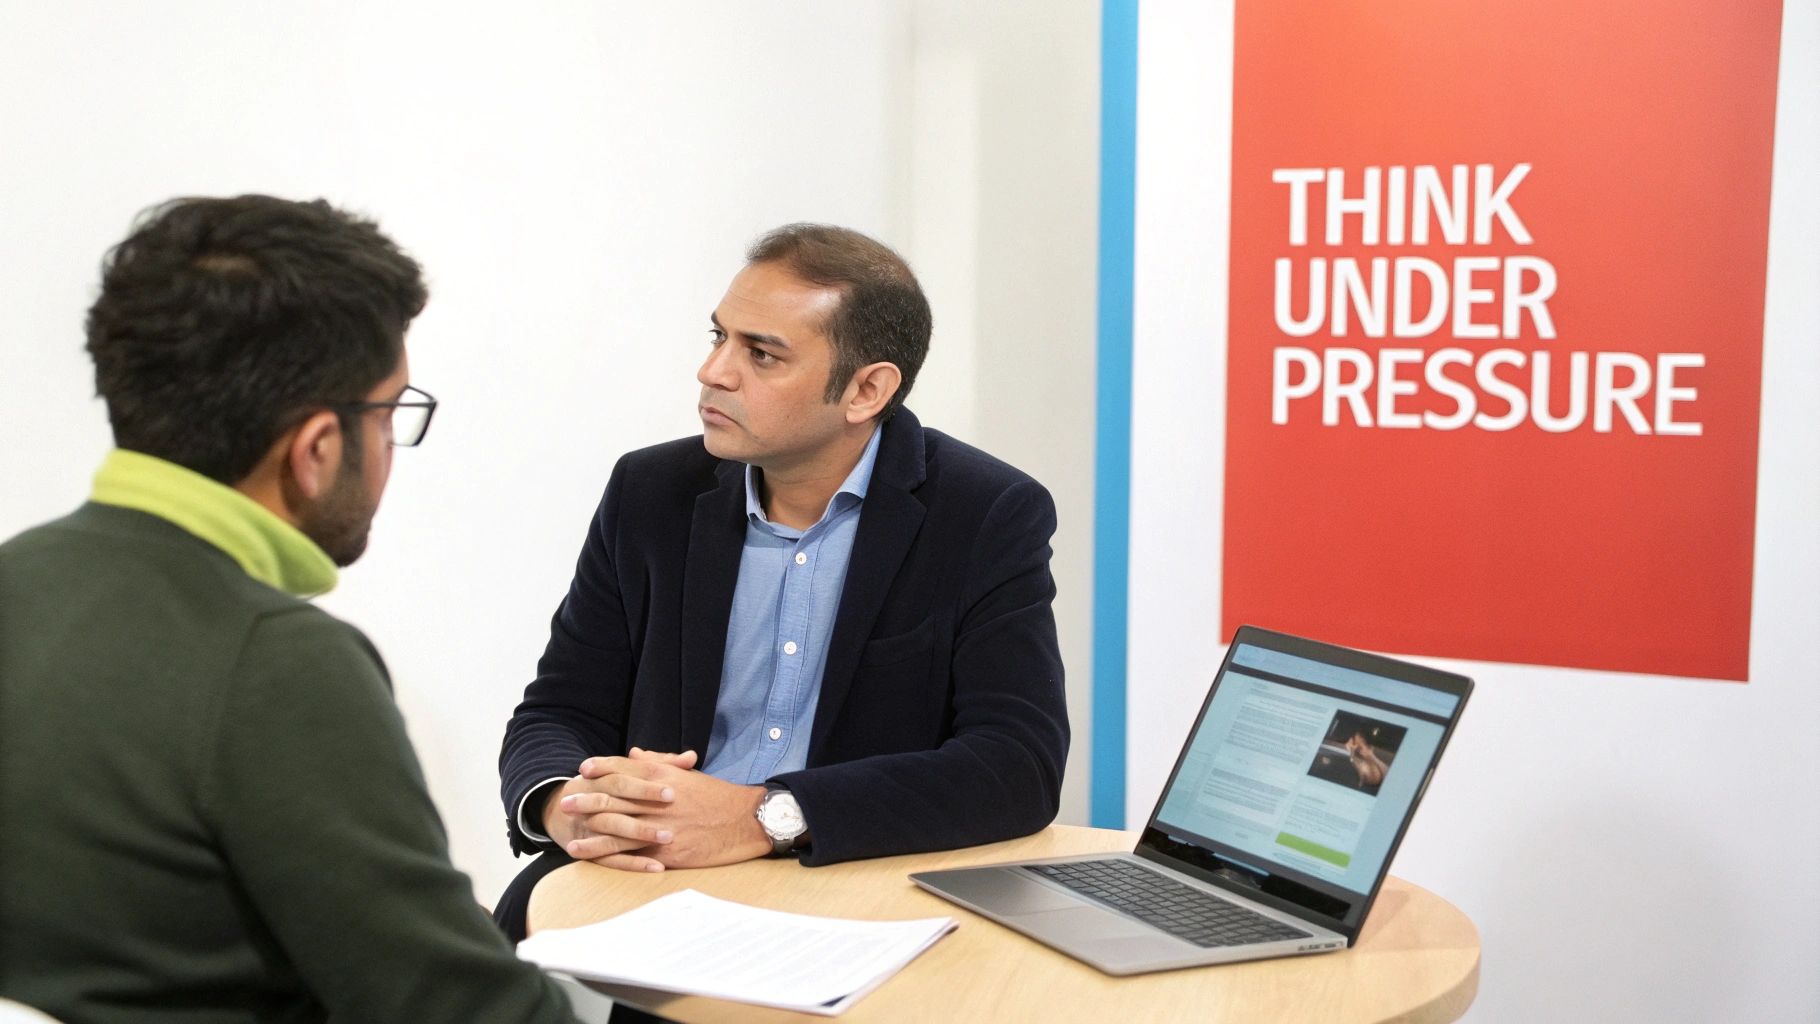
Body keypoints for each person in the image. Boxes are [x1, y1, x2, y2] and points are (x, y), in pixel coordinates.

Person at [0, 196, 580, 1022]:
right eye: (389, 415)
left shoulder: (19, 576)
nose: (389, 448)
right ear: (315, 451)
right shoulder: (275, 662)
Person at [493, 224, 1070, 939]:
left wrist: (763, 816)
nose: (714, 372)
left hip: (856, 891)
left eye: (761, 354)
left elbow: (1016, 765)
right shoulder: (650, 493)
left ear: (867, 389)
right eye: (719, 337)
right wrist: (571, 805)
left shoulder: (984, 513)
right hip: (651, 879)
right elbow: (557, 711)